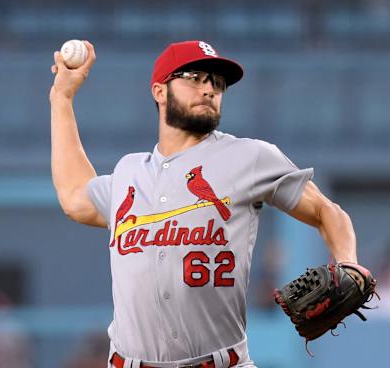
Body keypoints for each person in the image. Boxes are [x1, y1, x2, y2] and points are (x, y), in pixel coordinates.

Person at [49, 40, 359, 367]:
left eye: (217, 83)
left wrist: (349, 263)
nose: (209, 89)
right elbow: (74, 197)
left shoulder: (249, 157)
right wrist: (62, 98)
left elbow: (328, 212)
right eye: (194, 77)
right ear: (159, 91)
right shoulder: (129, 172)